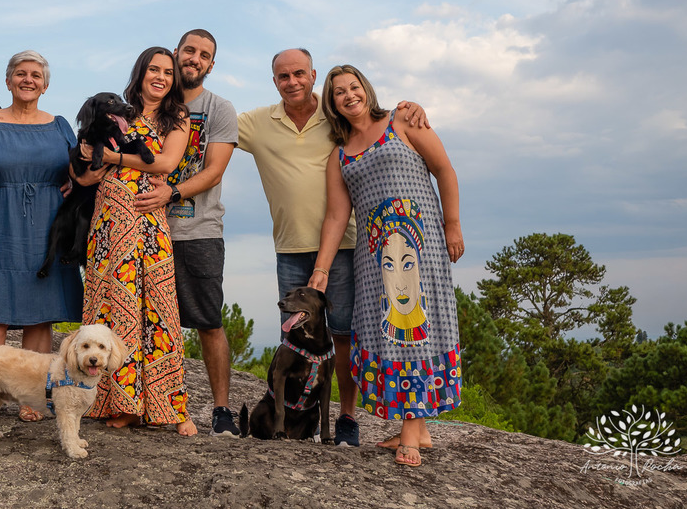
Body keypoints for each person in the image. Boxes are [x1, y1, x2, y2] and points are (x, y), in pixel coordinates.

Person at [236, 48, 427, 447]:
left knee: (341, 335)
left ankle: (346, 419)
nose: (292, 82)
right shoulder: (256, 123)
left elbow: (372, 118)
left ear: (313, 75)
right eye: (283, 76)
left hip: (345, 246)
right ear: (275, 81)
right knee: (294, 335)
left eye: (299, 74)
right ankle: (291, 420)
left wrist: (407, 108)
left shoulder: (335, 114)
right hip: (289, 248)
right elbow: (211, 133)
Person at [309, 64, 464, 468]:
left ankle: (411, 434)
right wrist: (321, 271)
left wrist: (453, 225)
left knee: (415, 331)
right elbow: (336, 218)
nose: (348, 95)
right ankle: (419, 429)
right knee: (391, 335)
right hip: (375, 257)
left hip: (420, 247)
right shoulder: (339, 156)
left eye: (354, 86)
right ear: (332, 103)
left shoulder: (404, 121)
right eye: (338, 91)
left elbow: (444, 170)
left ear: (366, 89)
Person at [0, 50, 82, 422]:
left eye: (36, 75)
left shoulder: (59, 126)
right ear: (8, 81)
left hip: (48, 231)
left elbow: (79, 171)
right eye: (21, 74)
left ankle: (32, 398)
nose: (28, 80)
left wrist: (73, 187)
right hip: (0, 227)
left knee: (40, 317)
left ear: (45, 84)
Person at [79, 46, 197, 436]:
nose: (160, 77)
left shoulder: (176, 115)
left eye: (167, 71)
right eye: (153, 70)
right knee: (112, 306)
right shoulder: (119, 110)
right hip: (109, 220)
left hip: (146, 221)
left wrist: (113, 159)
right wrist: (87, 165)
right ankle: (115, 400)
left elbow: (165, 164)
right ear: (140, 73)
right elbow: (86, 159)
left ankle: (164, 405)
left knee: (154, 310)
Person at [132, 30, 240, 437]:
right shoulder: (149, 103)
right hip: (143, 225)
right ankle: (147, 402)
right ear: (176, 54)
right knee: (149, 320)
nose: (195, 58)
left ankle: (221, 409)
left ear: (212, 64)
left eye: (205, 55)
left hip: (198, 229)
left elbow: (214, 169)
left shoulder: (219, 109)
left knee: (209, 320)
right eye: (190, 50)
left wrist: (171, 192)